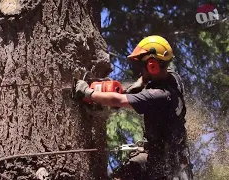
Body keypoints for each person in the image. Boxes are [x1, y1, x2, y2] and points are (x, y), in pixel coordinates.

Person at [75, 35, 193, 180]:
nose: (140, 71)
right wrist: (137, 85)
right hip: (171, 156)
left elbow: (117, 100)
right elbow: (145, 80)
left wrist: (88, 92)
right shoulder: (173, 78)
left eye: (142, 67)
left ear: (152, 66)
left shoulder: (158, 96)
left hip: (162, 168)